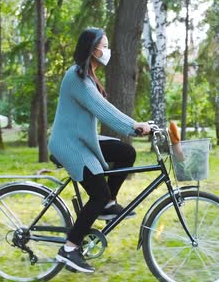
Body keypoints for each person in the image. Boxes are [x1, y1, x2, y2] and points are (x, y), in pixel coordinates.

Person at [48, 28, 151, 273]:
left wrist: (135, 125)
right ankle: (70, 249)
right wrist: (133, 126)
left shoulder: (89, 75)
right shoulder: (76, 76)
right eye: (104, 45)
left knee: (126, 154)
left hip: (83, 139)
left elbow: (102, 106)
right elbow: (101, 108)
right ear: (91, 48)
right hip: (69, 143)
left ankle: (108, 204)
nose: (107, 51)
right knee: (98, 194)